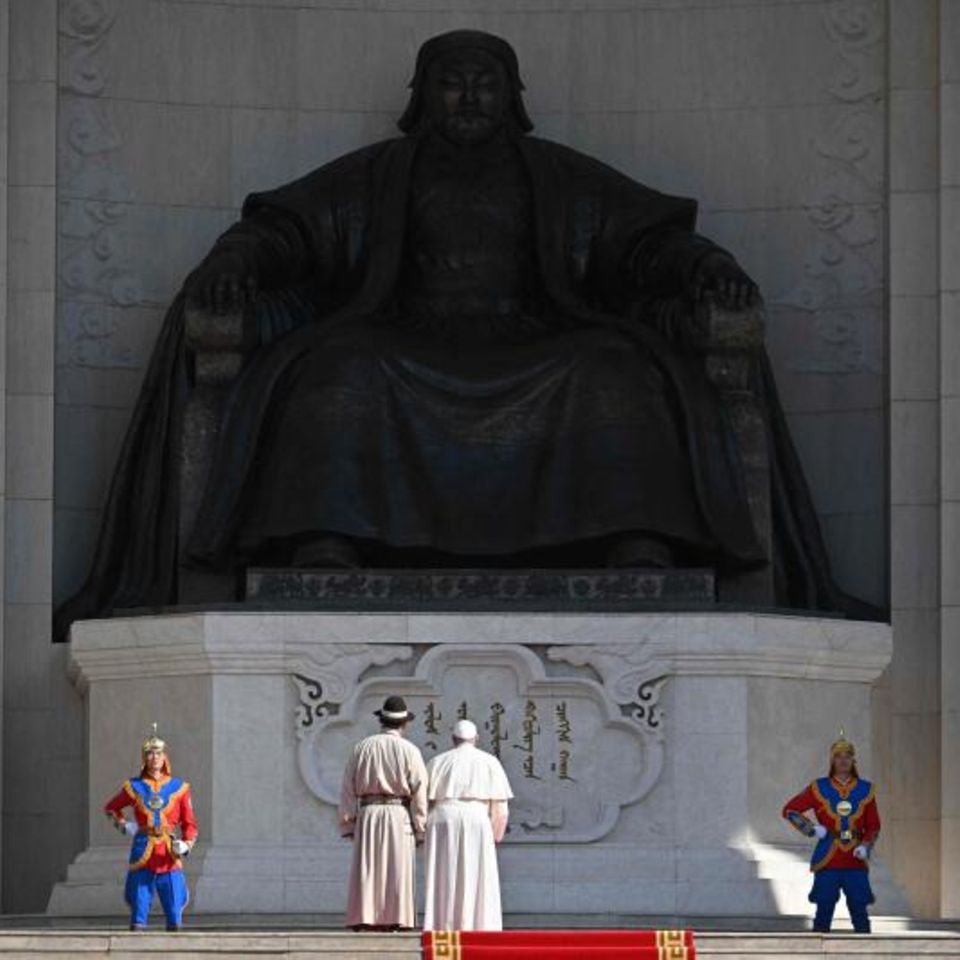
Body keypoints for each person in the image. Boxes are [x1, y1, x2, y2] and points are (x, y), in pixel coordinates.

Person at [53, 29, 879, 644]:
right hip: (401, 334)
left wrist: (706, 267)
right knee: (342, 368)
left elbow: (645, 243)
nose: (470, 98)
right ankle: (328, 542)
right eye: (452, 83)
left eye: (486, 83)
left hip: (539, 336)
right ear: (421, 96)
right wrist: (234, 262)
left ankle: (636, 545)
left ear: (513, 95)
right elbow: (287, 232)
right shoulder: (379, 175)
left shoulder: (556, 175)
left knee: (614, 368)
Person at [339, 695, 428, 931]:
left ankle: (365, 917)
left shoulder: (362, 747)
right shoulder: (410, 750)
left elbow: (348, 787)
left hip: (368, 813)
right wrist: (420, 827)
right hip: (398, 812)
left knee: (368, 867)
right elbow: (419, 789)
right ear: (404, 724)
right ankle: (398, 918)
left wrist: (347, 822)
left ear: (382, 720)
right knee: (397, 867)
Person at [782, 731, 881, 934]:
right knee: (824, 909)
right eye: (838, 756)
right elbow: (790, 810)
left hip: (855, 858)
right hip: (828, 857)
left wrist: (865, 845)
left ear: (854, 759)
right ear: (832, 760)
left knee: (860, 910)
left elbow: (873, 825)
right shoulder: (819, 787)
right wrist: (812, 829)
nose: (843, 760)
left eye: (847, 756)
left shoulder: (865, 789)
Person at [103, 725, 198, 931]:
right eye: (150, 753)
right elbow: (111, 809)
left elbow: (190, 824)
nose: (154, 757)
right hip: (143, 850)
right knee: (139, 911)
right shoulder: (134, 786)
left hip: (168, 853)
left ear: (165, 757)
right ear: (144, 758)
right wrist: (124, 825)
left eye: (158, 753)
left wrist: (187, 844)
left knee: (174, 908)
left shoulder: (180, 788)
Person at [423, 719, 514, 931]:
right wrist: (495, 836)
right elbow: (500, 807)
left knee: (444, 876)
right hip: (477, 818)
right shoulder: (490, 762)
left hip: (442, 817)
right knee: (478, 878)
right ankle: (480, 927)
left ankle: (442, 926)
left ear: (453, 739)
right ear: (476, 739)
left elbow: (423, 800)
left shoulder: (437, 761)